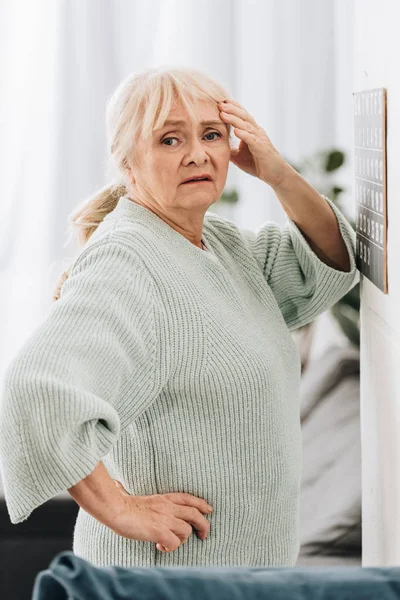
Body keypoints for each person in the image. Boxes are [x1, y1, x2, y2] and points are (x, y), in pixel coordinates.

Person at [0, 67, 359, 568]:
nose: (198, 154)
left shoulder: (223, 245)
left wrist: (276, 171)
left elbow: (328, 259)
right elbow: (38, 389)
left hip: (235, 573)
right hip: (163, 576)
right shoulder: (128, 259)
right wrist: (121, 510)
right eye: (170, 139)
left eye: (211, 135)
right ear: (128, 162)